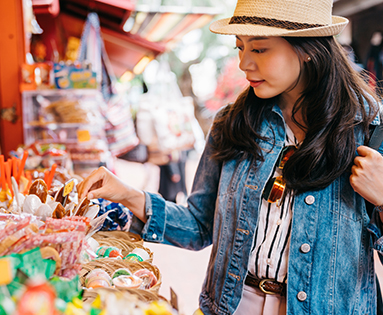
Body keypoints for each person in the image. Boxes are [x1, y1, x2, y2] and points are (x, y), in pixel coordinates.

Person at [77, 0, 383, 314]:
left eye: (260, 49)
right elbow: (199, 225)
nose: (244, 63)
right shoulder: (235, 123)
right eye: (240, 48)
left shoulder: (370, 130)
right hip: (231, 306)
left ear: (308, 49)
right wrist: (126, 194)